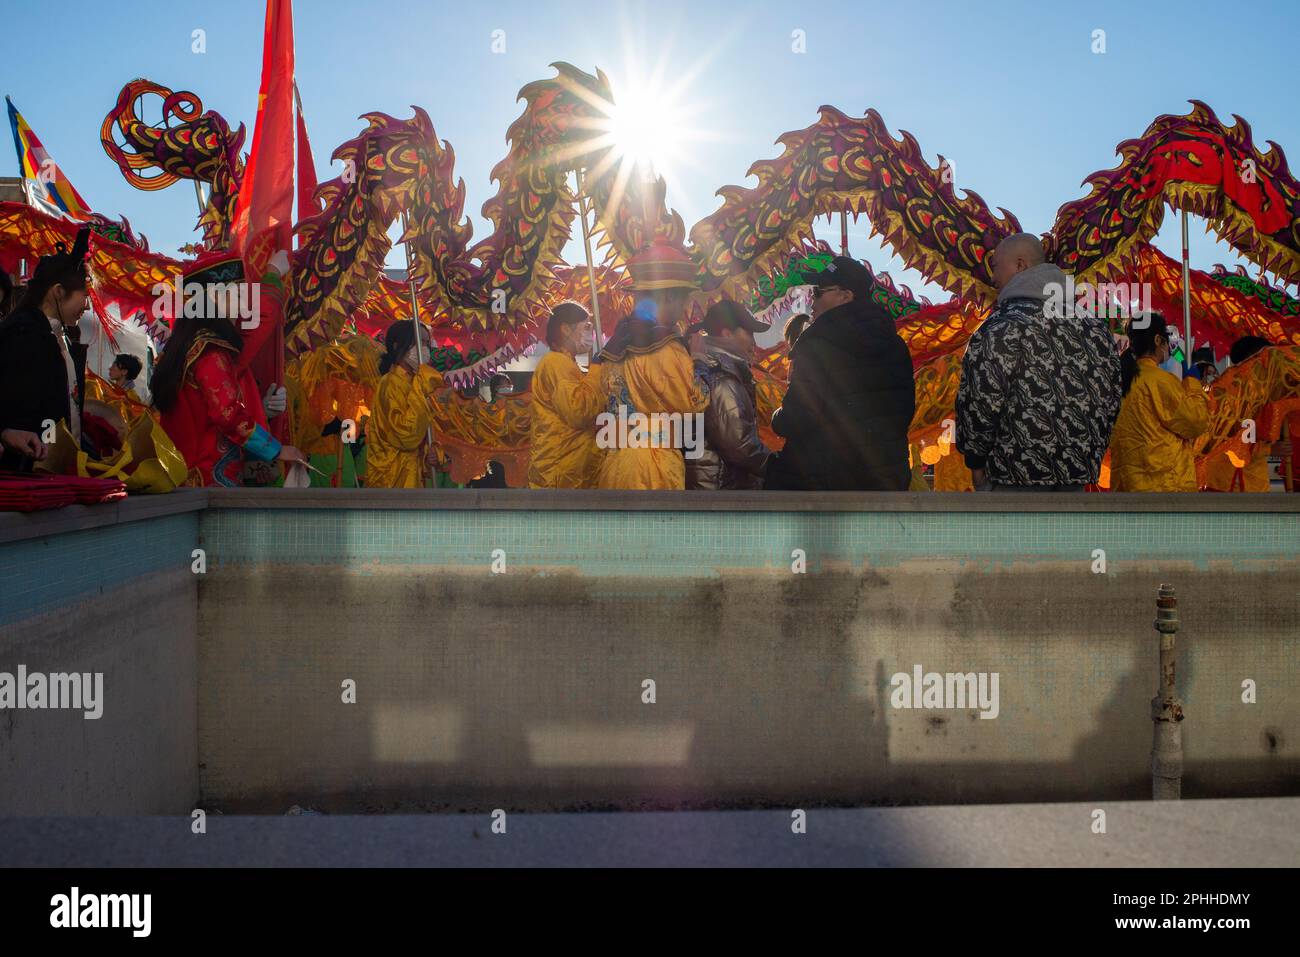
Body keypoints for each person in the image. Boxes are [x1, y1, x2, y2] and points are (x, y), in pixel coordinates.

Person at [956, 232, 1120, 491]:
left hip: (1012, 481)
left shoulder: (999, 328)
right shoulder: (1096, 329)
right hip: (1076, 481)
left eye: (996, 267)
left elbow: (979, 404)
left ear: (1020, 265)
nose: (992, 277)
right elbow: (1111, 403)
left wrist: (975, 463)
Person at [150, 253, 307, 486]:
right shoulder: (210, 351)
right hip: (208, 482)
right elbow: (228, 414)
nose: (244, 306)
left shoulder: (185, 347)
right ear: (214, 297)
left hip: (187, 478)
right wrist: (277, 450)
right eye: (238, 295)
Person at [764, 256, 915, 490]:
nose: (811, 301)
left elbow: (798, 416)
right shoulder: (895, 345)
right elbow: (904, 413)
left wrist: (777, 418)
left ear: (845, 296)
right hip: (883, 481)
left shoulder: (817, 344)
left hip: (823, 483)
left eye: (817, 292)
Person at [594, 241, 709, 490]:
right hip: (652, 468)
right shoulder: (665, 344)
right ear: (669, 295)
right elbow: (692, 404)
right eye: (683, 299)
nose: (684, 308)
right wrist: (699, 361)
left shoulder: (615, 345)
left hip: (616, 463)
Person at [0, 228, 91, 471]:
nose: (86, 306)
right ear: (58, 292)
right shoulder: (22, 333)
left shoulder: (61, 337)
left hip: (53, 471)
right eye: (84, 296)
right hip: (22, 471)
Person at [1109, 312, 1209, 492]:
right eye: (1165, 341)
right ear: (1157, 340)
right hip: (1163, 485)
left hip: (1126, 484)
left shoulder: (1118, 380)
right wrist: (1193, 384)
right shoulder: (1161, 381)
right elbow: (1196, 422)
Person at [686, 300, 772, 490]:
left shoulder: (716, 366)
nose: (754, 343)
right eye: (749, 333)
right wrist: (776, 466)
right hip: (720, 489)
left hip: (712, 485)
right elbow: (738, 443)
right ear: (727, 334)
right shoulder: (720, 373)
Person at [527, 302, 604, 488]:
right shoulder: (556, 363)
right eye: (585, 327)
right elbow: (579, 411)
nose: (590, 334)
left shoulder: (566, 363)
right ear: (566, 329)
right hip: (560, 475)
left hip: (569, 473)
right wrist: (597, 370)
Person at [1203, 336, 1293, 492]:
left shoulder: (1265, 394)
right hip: (1225, 483)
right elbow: (1234, 441)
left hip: (1253, 483)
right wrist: (1270, 450)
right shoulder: (1226, 394)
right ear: (1252, 362)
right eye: (1265, 360)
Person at [365, 320, 441, 488]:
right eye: (418, 342)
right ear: (398, 345)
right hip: (392, 482)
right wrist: (421, 391)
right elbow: (405, 436)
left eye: (427, 343)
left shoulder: (416, 383)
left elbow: (420, 440)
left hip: (413, 481)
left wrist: (428, 458)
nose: (424, 349)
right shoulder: (390, 383)